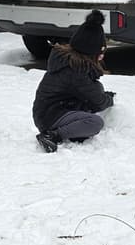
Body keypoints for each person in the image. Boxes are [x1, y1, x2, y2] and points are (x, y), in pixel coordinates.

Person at [32, 9, 116, 153]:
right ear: (92, 53)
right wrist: (109, 99)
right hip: (50, 116)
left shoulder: (71, 63)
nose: (102, 57)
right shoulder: (75, 71)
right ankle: (53, 135)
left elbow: (90, 93)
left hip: (50, 111)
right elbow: (99, 101)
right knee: (95, 122)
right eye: (101, 53)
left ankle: (67, 130)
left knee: (92, 104)